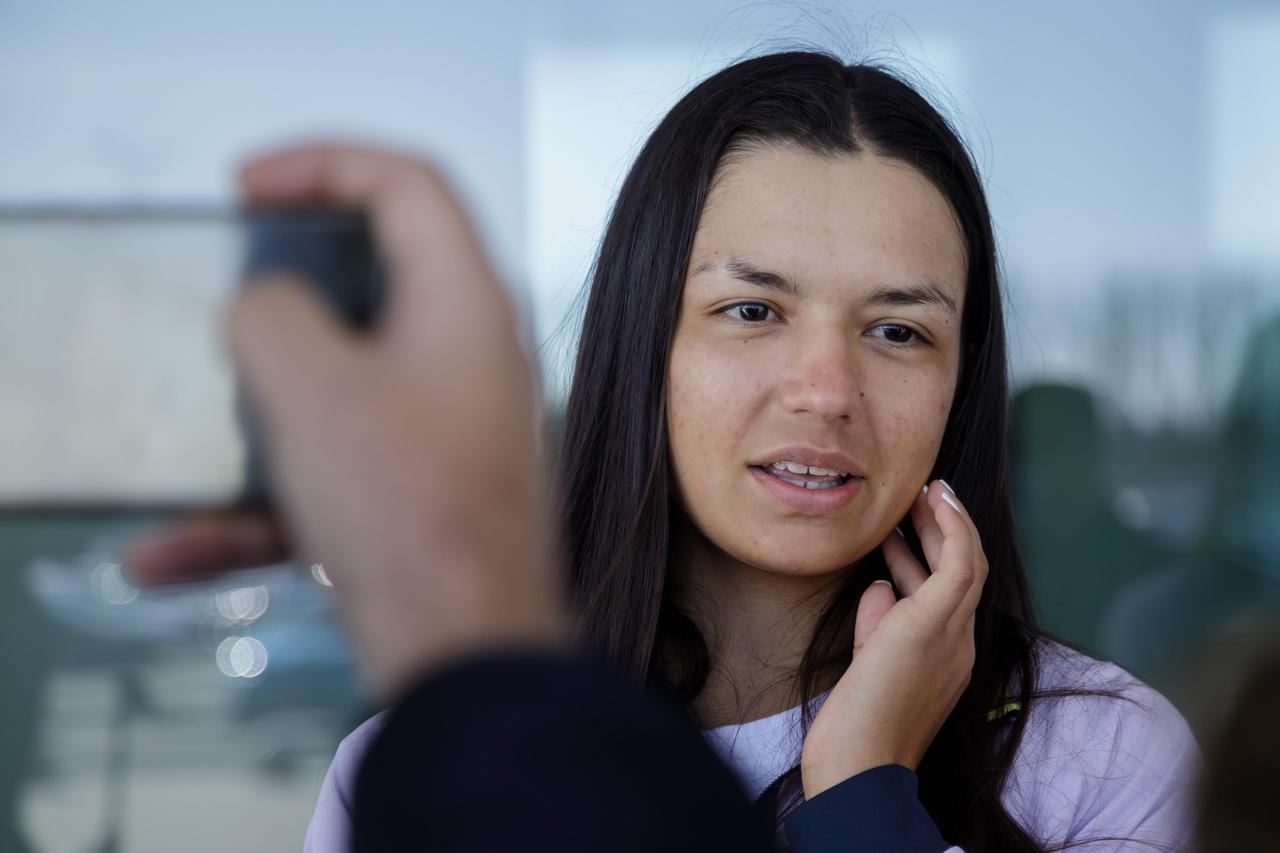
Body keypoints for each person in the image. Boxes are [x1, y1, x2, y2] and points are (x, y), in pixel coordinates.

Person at [131, 52, 1200, 852]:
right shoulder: (415, 769)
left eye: (897, 331)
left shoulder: (1102, 760)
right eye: (749, 309)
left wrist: (862, 791)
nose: (825, 390)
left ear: (960, 382)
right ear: (643, 345)